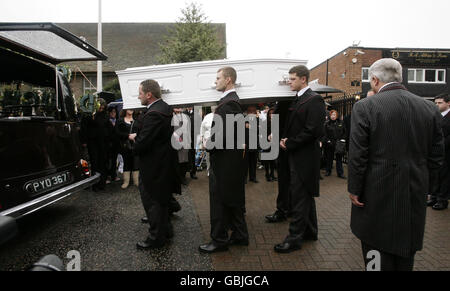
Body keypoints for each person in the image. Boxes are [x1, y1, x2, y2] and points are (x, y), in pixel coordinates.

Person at [348, 58, 444, 271]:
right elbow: (437, 157)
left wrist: (354, 189)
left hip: (375, 195)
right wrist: (425, 184)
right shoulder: (429, 108)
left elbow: (358, 155)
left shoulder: (366, 106)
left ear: (374, 79)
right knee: (405, 255)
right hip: (414, 194)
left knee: (375, 253)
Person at [274, 65, 325, 253]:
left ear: (304, 79)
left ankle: (294, 238)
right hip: (296, 156)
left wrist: (290, 143)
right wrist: (283, 139)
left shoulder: (314, 100)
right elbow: (294, 126)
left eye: (292, 78)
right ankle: (311, 232)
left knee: (299, 198)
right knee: (306, 196)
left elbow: (313, 131)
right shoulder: (298, 99)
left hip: (305, 158)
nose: (289, 81)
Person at [199, 67, 248, 253]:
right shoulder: (232, 102)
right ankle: (240, 235)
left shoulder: (228, 104)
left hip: (225, 162)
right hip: (231, 161)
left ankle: (219, 240)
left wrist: (207, 145)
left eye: (218, 78)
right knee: (232, 199)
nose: (215, 81)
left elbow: (222, 136)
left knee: (219, 202)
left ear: (228, 80)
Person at [132, 79, 181, 249]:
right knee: (162, 200)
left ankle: (156, 238)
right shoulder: (164, 108)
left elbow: (142, 143)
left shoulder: (154, 114)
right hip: (163, 163)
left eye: (140, 93)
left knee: (153, 202)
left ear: (148, 94)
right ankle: (166, 231)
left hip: (154, 166)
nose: (138, 97)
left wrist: (134, 139)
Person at [265, 100, 291, 223]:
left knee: (284, 181)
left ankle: (283, 210)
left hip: (284, 148)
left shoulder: (285, 104)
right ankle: (286, 209)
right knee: (285, 181)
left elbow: (283, 124)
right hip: (282, 146)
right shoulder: (281, 104)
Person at [427, 93, 450, 210]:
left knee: (445, 177)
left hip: (446, 152)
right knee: (436, 175)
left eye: (440, 103)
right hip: (436, 152)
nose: (437, 105)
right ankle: (434, 197)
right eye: (435, 103)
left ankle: (442, 200)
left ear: (448, 103)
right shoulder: (436, 116)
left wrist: (440, 145)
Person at [116, 109, 139, 189]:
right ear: (125, 109)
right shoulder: (120, 120)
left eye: (132, 108)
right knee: (126, 162)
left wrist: (136, 134)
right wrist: (128, 136)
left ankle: (136, 181)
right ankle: (126, 182)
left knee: (136, 162)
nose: (131, 110)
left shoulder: (137, 120)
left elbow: (141, 130)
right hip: (125, 146)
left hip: (135, 145)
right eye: (129, 108)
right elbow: (117, 133)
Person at [323, 110, 346, 179]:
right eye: (332, 115)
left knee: (339, 159)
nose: (333, 116)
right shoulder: (327, 123)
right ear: (330, 116)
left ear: (336, 115)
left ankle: (340, 173)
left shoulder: (341, 122)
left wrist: (343, 139)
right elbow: (325, 134)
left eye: (334, 115)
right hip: (330, 144)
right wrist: (328, 141)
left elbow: (345, 132)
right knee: (329, 158)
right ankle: (328, 171)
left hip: (338, 144)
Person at [244, 105, 259, 183]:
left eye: (253, 112)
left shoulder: (257, 120)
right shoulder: (244, 120)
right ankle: (244, 178)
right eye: (251, 112)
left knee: (253, 162)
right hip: (246, 144)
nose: (252, 113)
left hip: (254, 144)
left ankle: (253, 177)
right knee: (245, 163)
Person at [262, 107, 277, 182]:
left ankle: (272, 174)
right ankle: (267, 174)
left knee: (273, 160)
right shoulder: (265, 122)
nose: (271, 115)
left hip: (274, 143)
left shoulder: (276, 122)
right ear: (268, 114)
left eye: (273, 113)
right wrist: (267, 136)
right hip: (266, 143)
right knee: (267, 160)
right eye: (270, 113)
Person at [106, 107, 121, 184]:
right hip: (109, 144)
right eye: (111, 112)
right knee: (108, 161)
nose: (113, 113)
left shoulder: (118, 121)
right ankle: (107, 176)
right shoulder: (107, 121)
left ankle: (113, 175)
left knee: (114, 160)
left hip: (116, 144)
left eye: (114, 112)